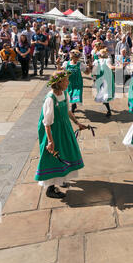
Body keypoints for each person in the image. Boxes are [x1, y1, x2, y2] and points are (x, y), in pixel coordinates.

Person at [35, 70, 87, 199]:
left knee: (65, 153)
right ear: (58, 83)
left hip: (64, 128)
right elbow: (47, 123)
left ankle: (60, 179)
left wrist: (77, 123)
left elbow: (68, 111)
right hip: (53, 131)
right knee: (53, 157)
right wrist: (50, 141)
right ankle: (50, 188)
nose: (68, 82)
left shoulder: (64, 94)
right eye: (66, 80)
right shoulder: (50, 99)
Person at [92, 48, 115, 117]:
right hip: (100, 79)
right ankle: (107, 108)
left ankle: (109, 111)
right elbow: (94, 70)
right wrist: (94, 77)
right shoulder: (97, 61)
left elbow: (110, 66)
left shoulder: (107, 60)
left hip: (106, 79)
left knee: (105, 95)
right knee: (102, 95)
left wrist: (115, 67)